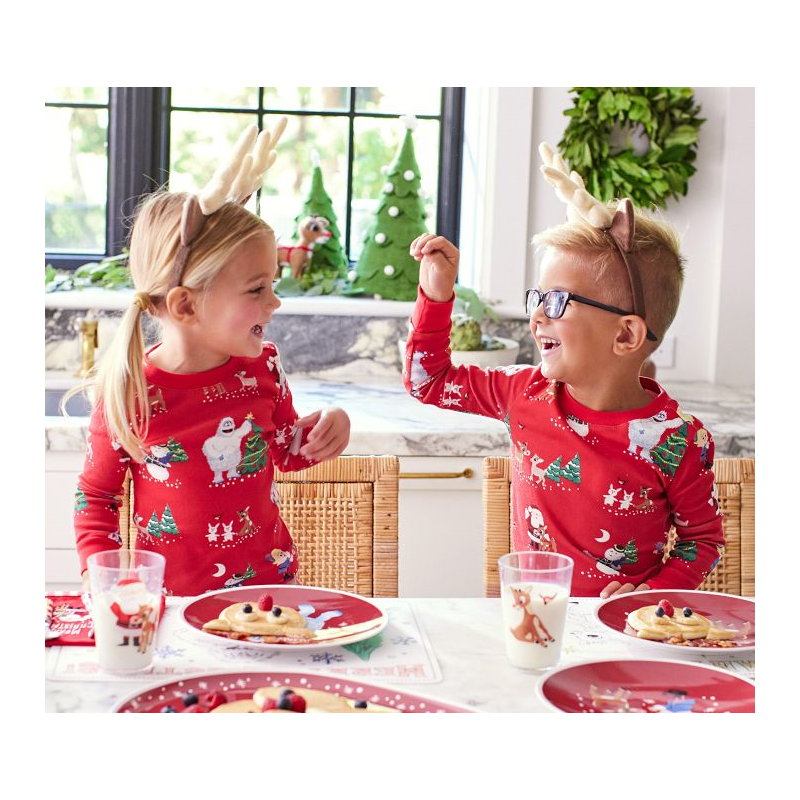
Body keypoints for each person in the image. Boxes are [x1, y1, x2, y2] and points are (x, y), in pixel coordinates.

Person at [402, 144, 724, 598]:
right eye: (537, 298)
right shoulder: (523, 394)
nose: (536, 316)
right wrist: (436, 297)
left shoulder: (680, 441)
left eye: (557, 301)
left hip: (621, 629)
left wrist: (650, 595)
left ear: (626, 335)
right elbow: (428, 381)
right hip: (532, 617)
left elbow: (702, 542)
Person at [73, 123, 350, 595]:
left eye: (273, 284)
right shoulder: (131, 390)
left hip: (269, 595)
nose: (275, 302)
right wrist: (104, 581)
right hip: (169, 607)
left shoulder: (264, 366)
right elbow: (96, 497)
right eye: (257, 288)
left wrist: (329, 428)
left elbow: (283, 450)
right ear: (185, 306)